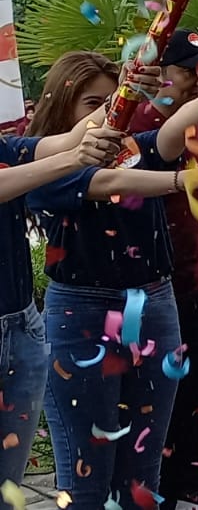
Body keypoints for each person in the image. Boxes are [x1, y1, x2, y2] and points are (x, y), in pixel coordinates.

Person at [27, 51, 198, 507]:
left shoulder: (132, 148)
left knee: (142, 475)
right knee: (87, 476)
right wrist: (188, 177)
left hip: (154, 305)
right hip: (82, 314)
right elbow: (104, 183)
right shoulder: (44, 163)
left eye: (115, 100)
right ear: (63, 109)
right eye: (94, 103)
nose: (111, 111)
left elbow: (166, 135)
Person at [0, 87, 132, 492]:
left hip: (20, 323)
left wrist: (125, 91)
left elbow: (68, 139)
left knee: (7, 484)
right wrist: (74, 159)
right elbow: (66, 154)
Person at [125, 29, 198, 510]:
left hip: (193, 276)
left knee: (197, 380)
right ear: (159, 73)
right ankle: (148, 480)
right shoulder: (137, 122)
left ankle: (188, 476)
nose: (197, 79)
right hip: (145, 282)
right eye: (188, 70)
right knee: (151, 387)